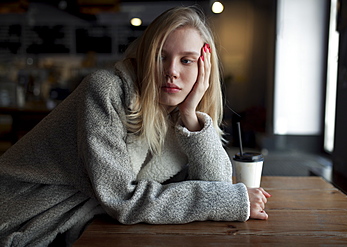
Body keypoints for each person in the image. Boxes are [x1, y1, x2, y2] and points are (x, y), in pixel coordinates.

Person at [0, 6, 270, 246]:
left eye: (186, 60)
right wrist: (232, 201)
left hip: (79, 222)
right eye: (160, 57)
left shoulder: (179, 115)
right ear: (144, 57)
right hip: (20, 218)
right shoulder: (106, 91)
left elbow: (217, 184)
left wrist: (191, 115)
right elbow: (122, 200)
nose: (171, 71)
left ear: (204, 69)